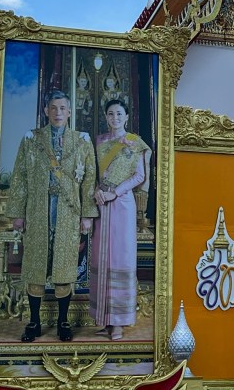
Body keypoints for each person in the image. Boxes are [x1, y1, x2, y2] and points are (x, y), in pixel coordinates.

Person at [7, 90, 98, 342]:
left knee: (64, 267)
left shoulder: (81, 141)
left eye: (63, 108)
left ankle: (63, 322)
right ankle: (34, 322)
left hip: (69, 211)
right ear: (46, 110)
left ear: (69, 112)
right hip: (38, 210)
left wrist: (87, 214)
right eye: (53, 108)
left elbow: (89, 178)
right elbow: (20, 176)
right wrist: (18, 213)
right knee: (35, 266)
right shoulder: (31, 139)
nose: (58, 112)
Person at [89, 98, 151, 340]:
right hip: (101, 203)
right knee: (101, 258)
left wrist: (115, 192)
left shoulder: (135, 142)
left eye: (119, 114)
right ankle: (103, 318)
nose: (115, 118)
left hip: (122, 203)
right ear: (106, 117)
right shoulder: (99, 141)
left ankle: (118, 323)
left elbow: (139, 176)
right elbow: (93, 172)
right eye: (111, 114)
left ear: (126, 117)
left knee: (120, 258)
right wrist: (97, 190)